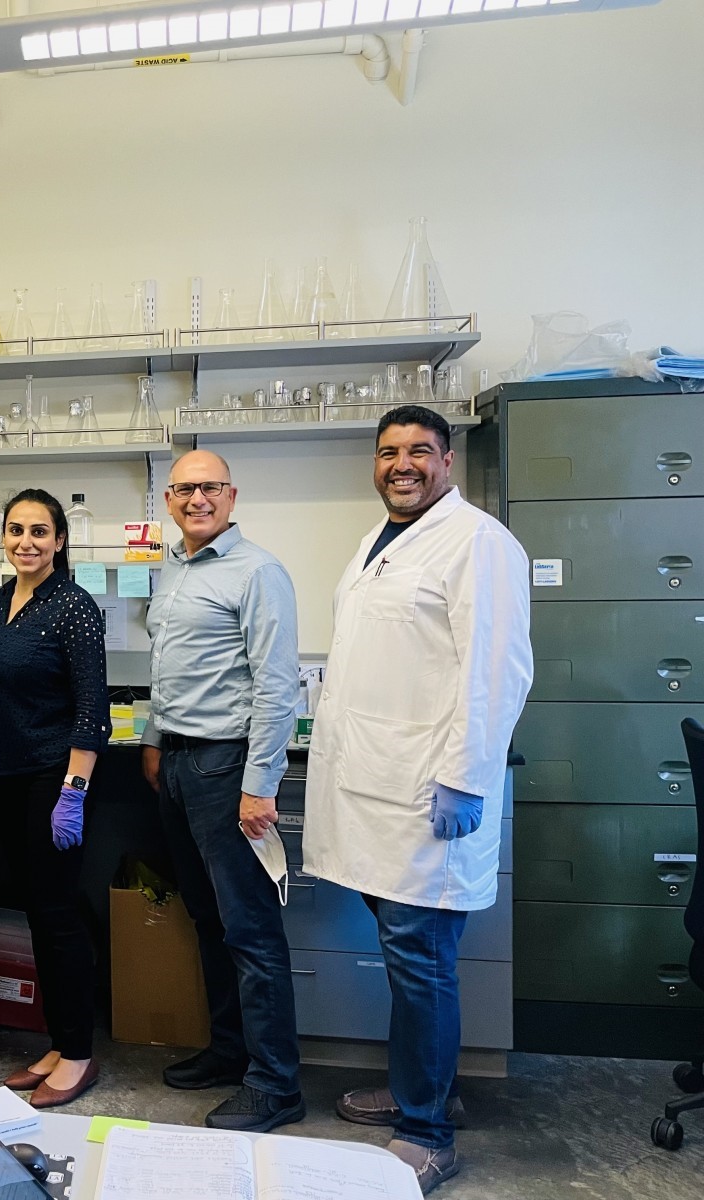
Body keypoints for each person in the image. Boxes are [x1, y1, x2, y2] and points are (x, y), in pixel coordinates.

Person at [304, 405, 532, 1194]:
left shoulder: (480, 544)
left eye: (420, 452)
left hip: (430, 791)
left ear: (448, 460)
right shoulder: (379, 540)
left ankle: (429, 1133)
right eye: (389, 452)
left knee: (423, 962)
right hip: (377, 784)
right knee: (409, 959)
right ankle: (417, 1092)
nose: (403, 464)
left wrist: (467, 778)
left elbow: (495, 671)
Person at [142, 450, 305, 1132]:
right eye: (183, 489)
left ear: (231, 495)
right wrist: (152, 740)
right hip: (178, 764)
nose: (196, 499)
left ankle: (276, 1087)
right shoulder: (173, 569)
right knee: (209, 922)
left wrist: (259, 785)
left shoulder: (259, 571)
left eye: (208, 488)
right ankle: (230, 1052)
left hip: (226, 769)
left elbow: (275, 684)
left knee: (251, 932)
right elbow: (167, 667)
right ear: (169, 499)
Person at [0, 488, 109, 1110]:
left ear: (59, 540)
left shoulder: (73, 605)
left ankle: (79, 1053)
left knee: (57, 918)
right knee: (36, 915)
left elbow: (91, 707)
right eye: (16, 530)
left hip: (50, 780)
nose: (26, 541)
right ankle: (59, 1042)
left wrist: (73, 792)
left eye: (39, 532)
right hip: (2, 777)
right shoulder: (3, 599)